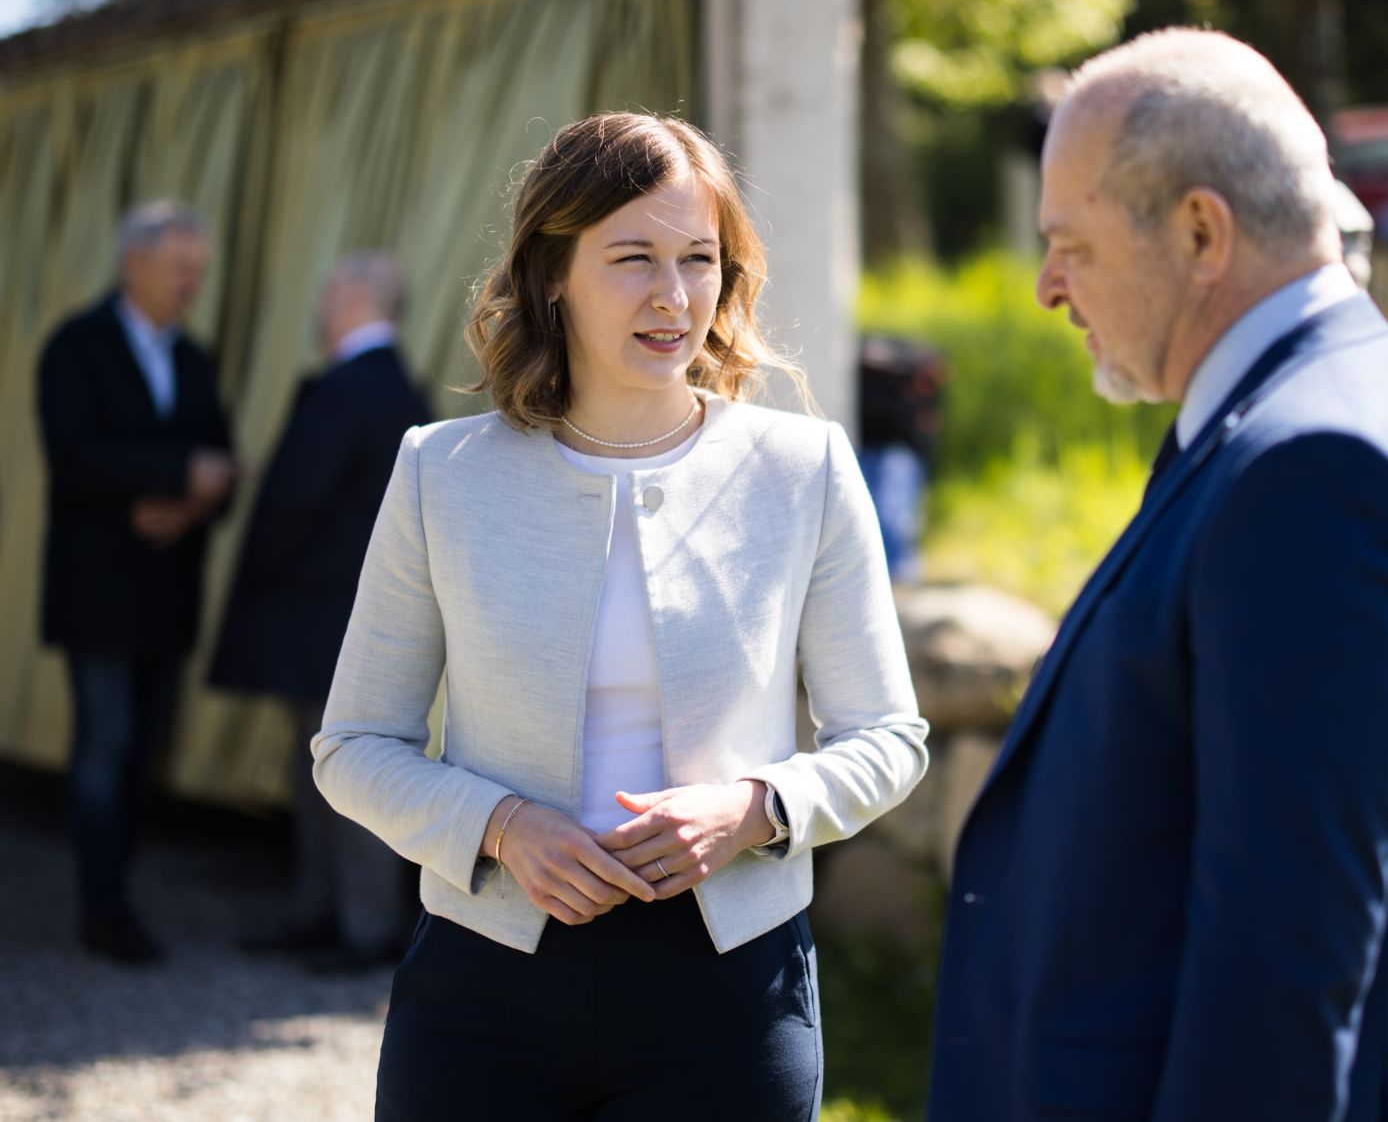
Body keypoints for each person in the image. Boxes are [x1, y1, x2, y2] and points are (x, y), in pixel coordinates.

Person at [927, 29, 1388, 1120]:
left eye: (1069, 244)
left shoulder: (1316, 472)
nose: (1043, 289)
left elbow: (1278, 980)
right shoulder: (1305, 416)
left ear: (1200, 230)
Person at [312, 112, 929, 1118]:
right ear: (552, 272)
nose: (673, 296)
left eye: (699, 259)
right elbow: (351, 746)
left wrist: (756, 809)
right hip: (483, 990)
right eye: (632, 257)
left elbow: (888, 740)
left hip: (730, 995)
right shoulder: (440, 471)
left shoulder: (803, 470)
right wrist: (503, 828)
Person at [210, 252, 430, 971]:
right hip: (353, 618)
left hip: (320, 616)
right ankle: (324, 912)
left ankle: (363, 929)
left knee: (347, 775)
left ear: (352, 298)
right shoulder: (399, 388)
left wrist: (262, 575)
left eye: (328, 289)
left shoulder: (347, 388)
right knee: (324, 772)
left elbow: (296, 503)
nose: (319, 303)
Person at [35, 198, 237, 964]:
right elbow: (73, 457)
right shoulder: (75, 346)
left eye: (199, 270)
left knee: (142, 750)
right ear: (133, 264)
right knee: (104, 745)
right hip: (97, 595)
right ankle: (102, 905)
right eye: (180, 267)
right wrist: (181, 473)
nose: (191, 282)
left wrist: (188, 507)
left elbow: (224, 466)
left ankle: (116, 887)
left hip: (167, 593)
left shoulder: (194, 357)